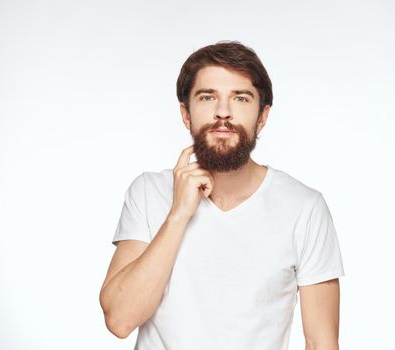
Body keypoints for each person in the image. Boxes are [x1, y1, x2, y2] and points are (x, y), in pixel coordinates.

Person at [99, 40, 345, 350]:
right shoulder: (148, 192)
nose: (223, 113)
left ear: (262, 116)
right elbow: (119, 320)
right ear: (186, 113)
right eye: (207, 97)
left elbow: (322, 343)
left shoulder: (304, 208)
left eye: (240, 98)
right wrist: (178, 214)